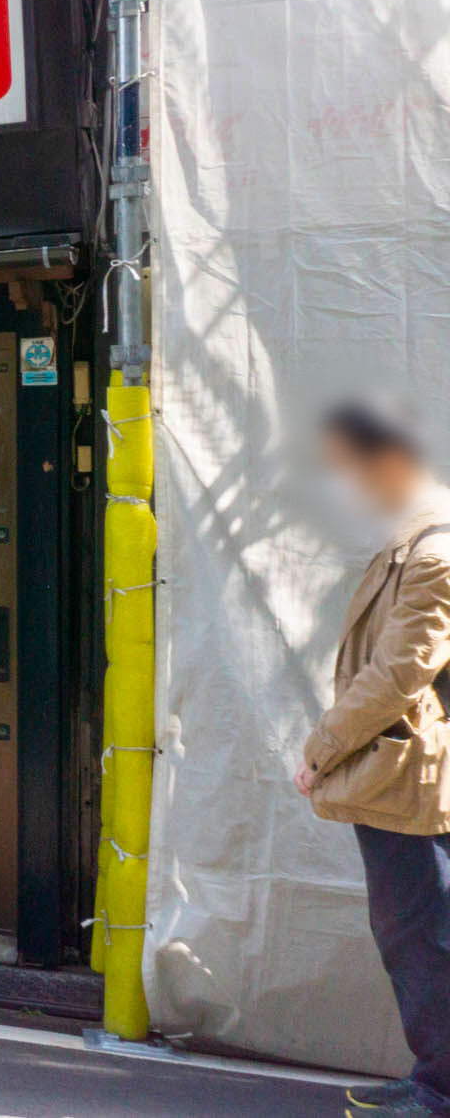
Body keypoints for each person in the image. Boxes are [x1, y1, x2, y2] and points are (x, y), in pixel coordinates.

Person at [294, 398, 450, 1118]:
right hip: (408, 776)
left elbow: (396, 674)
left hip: (412, 781)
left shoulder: (434, 553)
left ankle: (439, 1089)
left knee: (420, 933)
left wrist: (321, 749)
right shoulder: (413, 543)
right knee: (417, 930)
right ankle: (434, 1078)